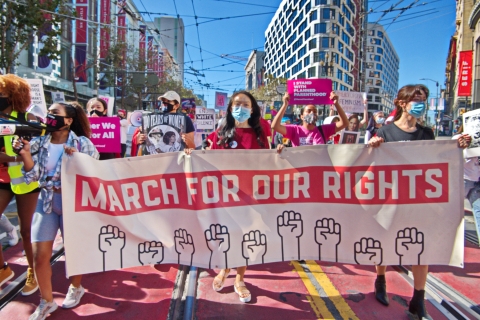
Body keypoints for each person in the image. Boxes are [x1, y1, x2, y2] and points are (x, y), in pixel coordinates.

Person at [368, 84, 471, 319]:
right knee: (384, 242)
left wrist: (457, 147)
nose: (421, 103)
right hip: (390, 201)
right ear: (402, 103)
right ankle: (380, 280)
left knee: (420, 248)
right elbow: (372, 166)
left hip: (419, 201)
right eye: (416, 98)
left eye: (423, 98)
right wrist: (372, 148)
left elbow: (437, 160)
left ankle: (418, 298)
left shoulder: (427, 134)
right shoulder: (385, 133)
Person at [14, 102, 99, 319]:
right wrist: (24, 154)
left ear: (69, 120)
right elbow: (31, 178)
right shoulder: (39, 142)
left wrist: (78, 159)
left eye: (55, 113)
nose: (50, 116)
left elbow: (95, 173)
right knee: (39, 256)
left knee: (74, 251)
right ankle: (46, 301)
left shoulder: (83, 143)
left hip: (73, 203)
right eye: (49, 113)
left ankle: (76, 287)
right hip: (46, 201)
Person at [186, 90, 269, 303]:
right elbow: (206, 152)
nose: (240, 107)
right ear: (230, 108)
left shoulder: (260, 133)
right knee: (226, 236)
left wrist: (279, 151)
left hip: (250, 197)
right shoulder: (222, 131)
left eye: (245, 104)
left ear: (252, 109)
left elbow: (269, 162)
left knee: (244, 238)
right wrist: (192, 153)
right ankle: (223, 269)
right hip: (224, 196)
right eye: (236, 104)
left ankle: (240, 278)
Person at [0, 74, 40, 295]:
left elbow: (34, 154)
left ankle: (33, 271)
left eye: (2, 94)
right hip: (4, 179)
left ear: (14, 95)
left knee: (26, 230)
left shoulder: (27, 118)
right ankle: (2, 270)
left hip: (27, 180)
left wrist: (11, 157)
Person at [272, 92, 348, 148]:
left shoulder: (324, 130)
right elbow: (275, 126)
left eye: (315, 111)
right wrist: (285, 105)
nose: (312, 113)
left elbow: (344, 123)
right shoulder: (295, 130)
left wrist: (336, 104)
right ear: (301, 116)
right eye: (308, 111)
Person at [453, 125, 480, 246]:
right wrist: (463, 146)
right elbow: (450, 156)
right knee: (451, 213)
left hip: (477, 182)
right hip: (461, 180)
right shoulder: (459, 138)